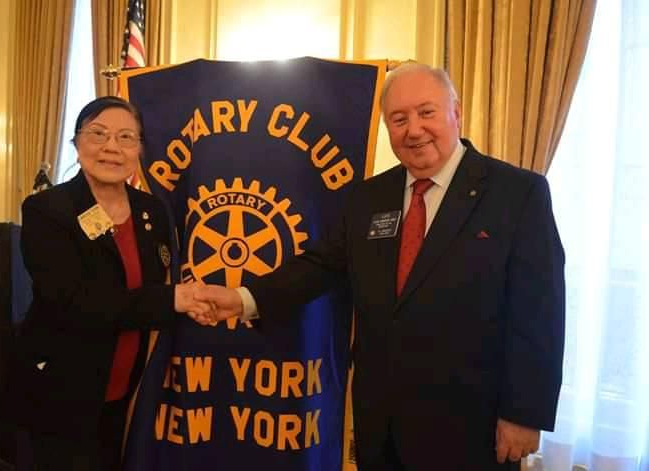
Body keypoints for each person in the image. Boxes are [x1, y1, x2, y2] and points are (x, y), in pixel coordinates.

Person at [194, 63, 565, 470]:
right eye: (399, 119)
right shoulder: (369, 198)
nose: (414, 129)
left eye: (427, 112)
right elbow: (319, 266)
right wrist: (243, 298)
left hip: (470, 426)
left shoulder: (517, 193)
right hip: (380, 424)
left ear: (455, 112)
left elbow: (539, 313)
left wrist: (524, 413)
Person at [8, 96, 211, 470]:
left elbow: (166, 279)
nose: (111, 148)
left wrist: (197, 303)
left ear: (139, 150)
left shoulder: (153, 211)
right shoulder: (47, 210)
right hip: (66, 391)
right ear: (76, 142)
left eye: (126, 137)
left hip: (135, 391)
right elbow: (73, 303)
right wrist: (173, 300)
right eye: (98, 134)